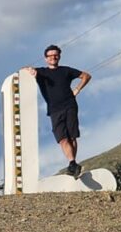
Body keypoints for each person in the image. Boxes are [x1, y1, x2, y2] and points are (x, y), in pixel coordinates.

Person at [22, 44, 91, 178]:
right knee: (62, 138)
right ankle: (73, 164)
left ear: (59, 56)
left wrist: (77, 89)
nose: (53, 57)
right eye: (50, 56)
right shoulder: (41, 72)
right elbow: (22, 71)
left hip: (70, 105)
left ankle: (72, 164)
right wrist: (29, 70)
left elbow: (86, 76)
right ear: (46, 58)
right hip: (54, 110)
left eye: (56, 55)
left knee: (72, 137)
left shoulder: (66, 70)